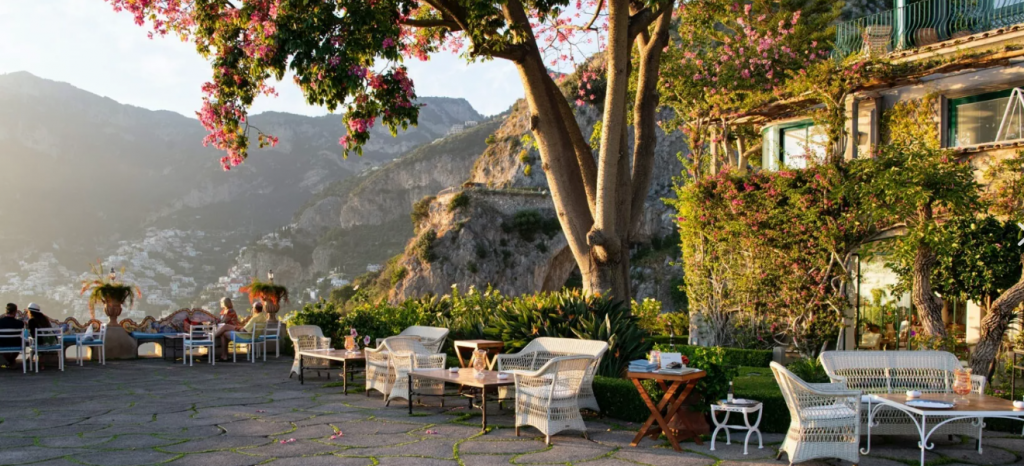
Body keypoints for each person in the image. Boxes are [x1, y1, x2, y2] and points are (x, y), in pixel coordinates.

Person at [0, 303, 25, 368]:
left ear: (6, 311)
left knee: (3, 342)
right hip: (16, 344)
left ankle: (10, 362)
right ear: (15, 312)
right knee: (19, 342)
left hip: (2, 344)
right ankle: (12, 362)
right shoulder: (20, 323)